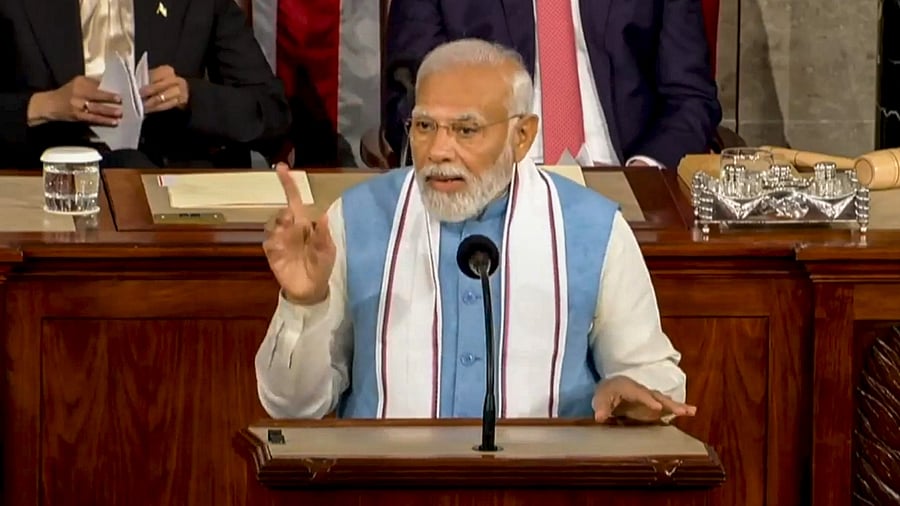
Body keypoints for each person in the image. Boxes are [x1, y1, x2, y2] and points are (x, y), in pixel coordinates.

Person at [257, 39, 695, 422]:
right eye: (425, 126)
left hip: (544, 487)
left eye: (466, 130)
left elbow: (653, 376)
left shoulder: (593, 229)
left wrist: (629, 392)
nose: (439, 150)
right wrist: (304, 304)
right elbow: (293, 406)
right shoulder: (354, 219)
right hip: (388, 487)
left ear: (522, 136)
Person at [383, 0, 722, 170]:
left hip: (624, 183)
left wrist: (644, 173)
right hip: (491, 185)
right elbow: (410, 95)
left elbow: (690, 97)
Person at [0, 0, 290, 168]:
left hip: (168, 191)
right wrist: (44, 105)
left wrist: (190, 96)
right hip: (45, 184)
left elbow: (272, 115)